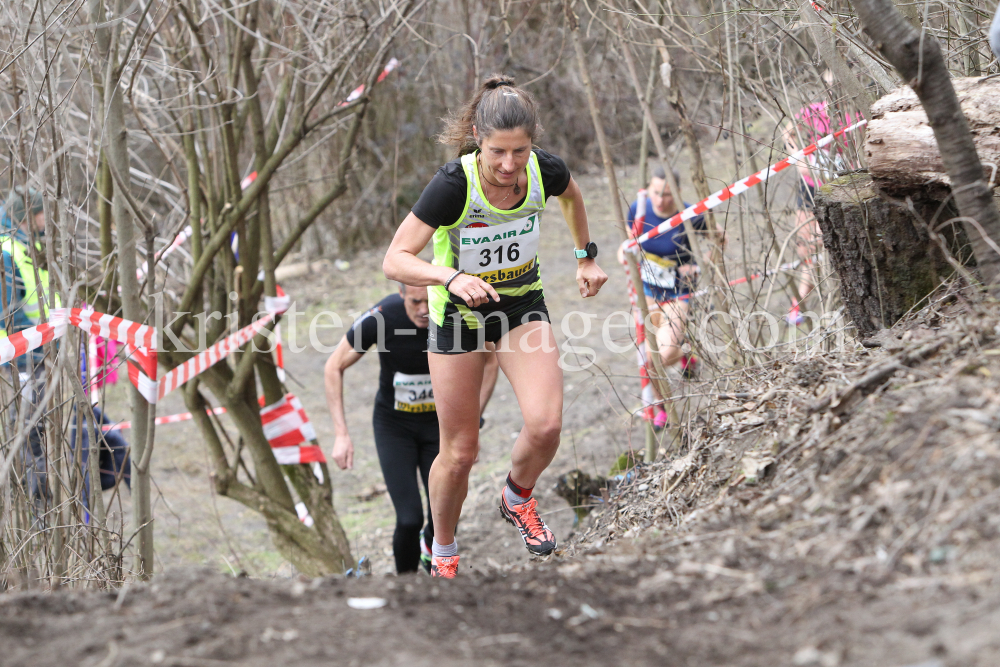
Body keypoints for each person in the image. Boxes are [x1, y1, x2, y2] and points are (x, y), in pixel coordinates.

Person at [383, 74, 608, 578]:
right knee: (460, 452)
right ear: (478, 141)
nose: (509, 166)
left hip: (520, 306)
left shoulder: (544, 171)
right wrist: (449, 275)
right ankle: (442, 549)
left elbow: (573, 197)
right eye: (498, 153)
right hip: (458, 318)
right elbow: (394, 260)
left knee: (546, 424)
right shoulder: (452, 185)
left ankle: (517, 497)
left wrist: (584, 257)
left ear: (534, 143)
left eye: (520, 151)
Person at [324, 283, 499, 574]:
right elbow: (334, 366)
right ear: (401, 295)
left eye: (428, 302)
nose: (422, 311)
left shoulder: (452, 311)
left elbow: (491, 360)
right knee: (408, 519)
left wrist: (472, 422)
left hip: (441, 428)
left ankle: (434, 564)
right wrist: (341, 434)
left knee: (444, 517)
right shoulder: (383, 317)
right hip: (395, 428)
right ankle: (404, 586)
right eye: (415, 301)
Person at [617, 167, 705, 430]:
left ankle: (684, 352)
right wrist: (625, 254)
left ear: (676, 192)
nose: (660, 200)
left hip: (679, 294)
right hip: (647, 293)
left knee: (658, 357)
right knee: (648, 359)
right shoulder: (638, 210)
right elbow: (630, 243)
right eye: (656, 193)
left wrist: (699, 266)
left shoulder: (691, 215)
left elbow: (719, 240)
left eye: (667, 194)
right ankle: (663, 406)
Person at [1, 187, 60, 521]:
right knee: (30, 430)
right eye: (42, 213)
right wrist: (37, 351)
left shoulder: (25, 244)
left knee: (32, 428)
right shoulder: (6, 249)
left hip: (33, 350)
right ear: (28, 215)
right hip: (21, 356)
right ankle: (38, 510)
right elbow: (9, 314)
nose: (46, 220)